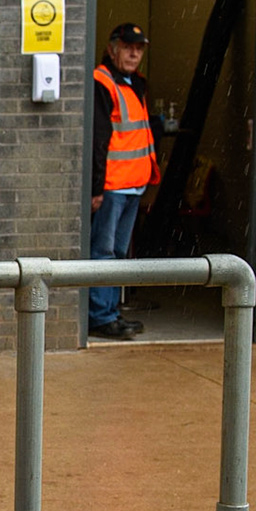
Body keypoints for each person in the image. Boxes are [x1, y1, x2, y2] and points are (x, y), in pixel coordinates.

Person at [87, 22, 161, 340]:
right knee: (104, 252)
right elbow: (99, 139)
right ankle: (100, 317)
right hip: (113, 187)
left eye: (139, 48)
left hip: (132, 184)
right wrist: (96, 188)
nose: (133, 53)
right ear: (112, 48)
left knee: (116, 252)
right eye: (128, 47)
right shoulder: (103, 82)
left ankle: (110, 312)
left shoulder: (135, 83)